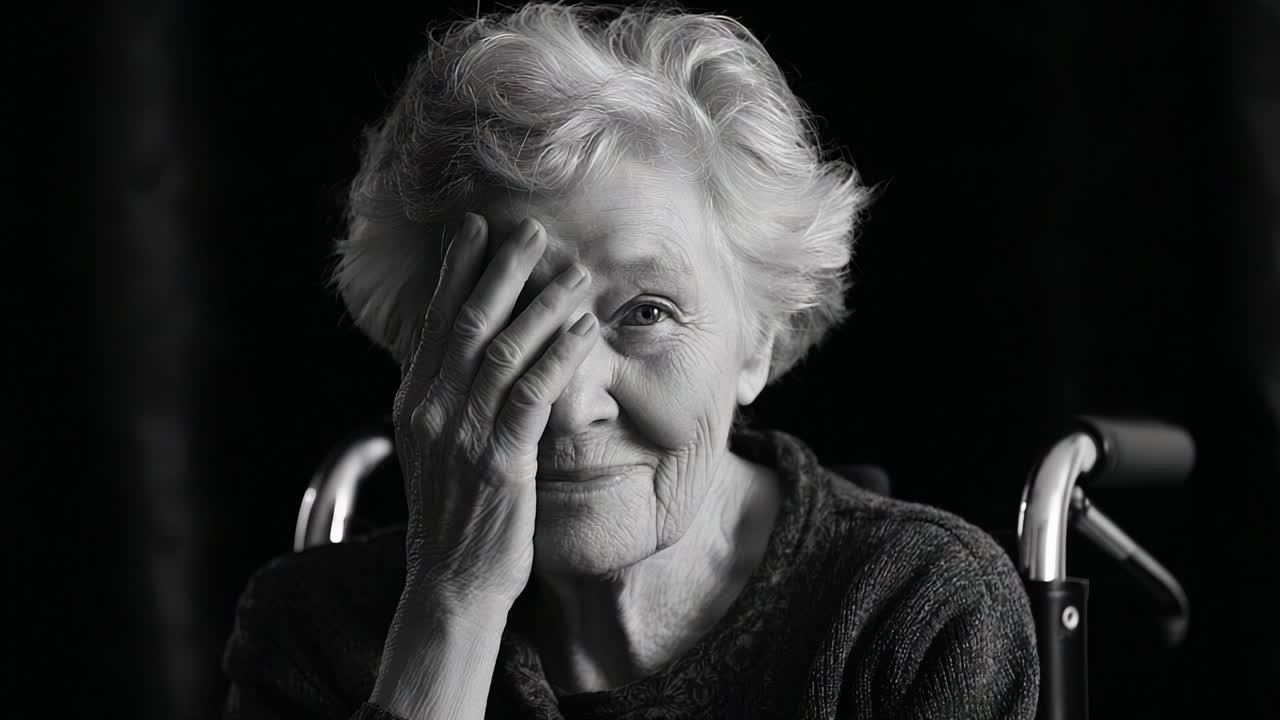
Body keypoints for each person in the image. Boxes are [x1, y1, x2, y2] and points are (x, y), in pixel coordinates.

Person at [221, 2, 1040, 718]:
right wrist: (454, 601)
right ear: (422, 349)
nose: (571, 403)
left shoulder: (914, 612)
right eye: (510, 319)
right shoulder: (313, 633)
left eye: (647, 313)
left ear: (757, 340)